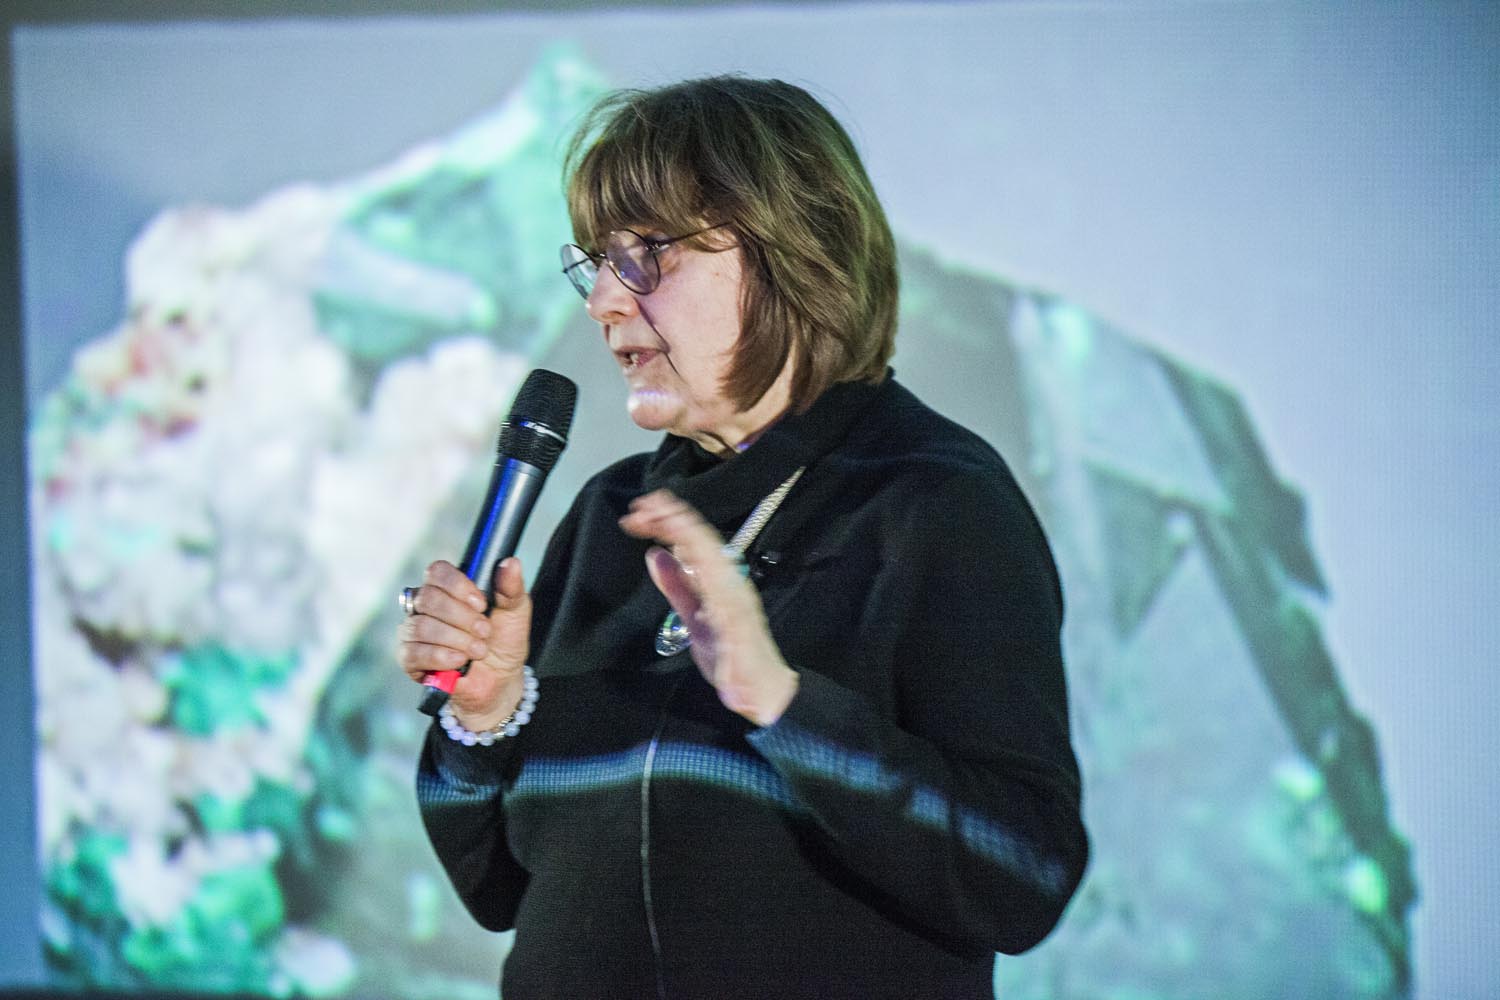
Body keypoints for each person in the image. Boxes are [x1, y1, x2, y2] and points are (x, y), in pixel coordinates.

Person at [397, 76, 1088, 1000]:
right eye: (597, 262)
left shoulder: (934, 504)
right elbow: (497, 891)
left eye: (647, 254)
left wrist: (784, 705)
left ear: (791, 256)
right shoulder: (611, 516)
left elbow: (1023, 874)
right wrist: (486, 716)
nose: (602, 301)